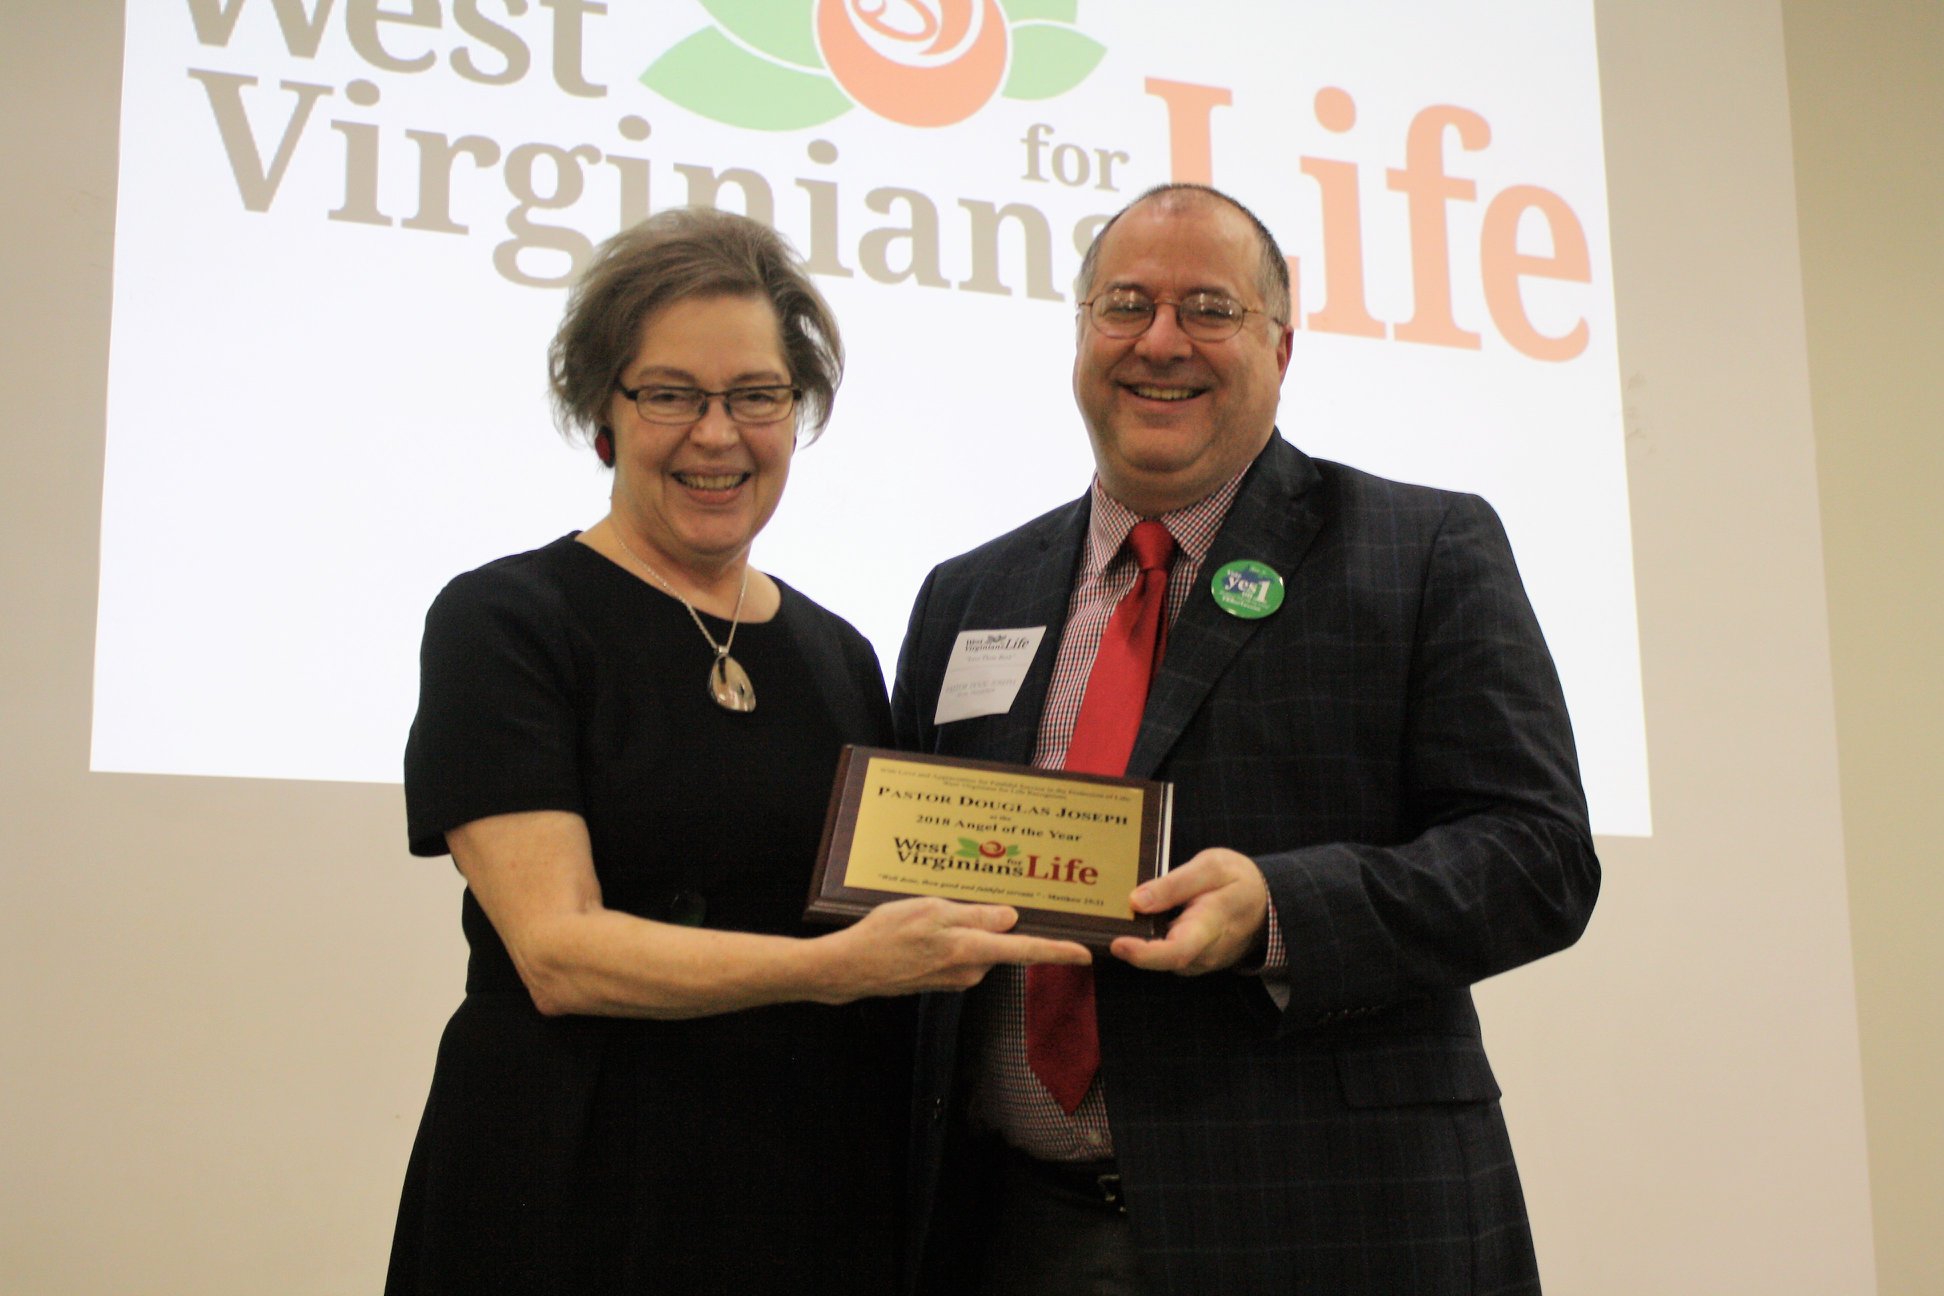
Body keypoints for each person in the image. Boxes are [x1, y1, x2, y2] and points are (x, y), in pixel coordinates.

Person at [892, 184, 1600, 1294]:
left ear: (1283, 344)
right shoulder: (968, 592)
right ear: (1081, 333)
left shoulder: (1422, 549)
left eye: (1209, 309)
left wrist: (1280, 910)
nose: (1160, 342)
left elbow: (1540, 857)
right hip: (1009, 1236)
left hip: (1331, 1225)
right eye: (1125, 305)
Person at [384, 208, 1088, 1296]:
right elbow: (558, 954)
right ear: (601, 411)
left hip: (802, 1187)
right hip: (574, 1180)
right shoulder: (506, 621)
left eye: (757, 396)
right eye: (670, 394)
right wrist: (831, 972)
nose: (717, 436)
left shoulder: (837, 652)